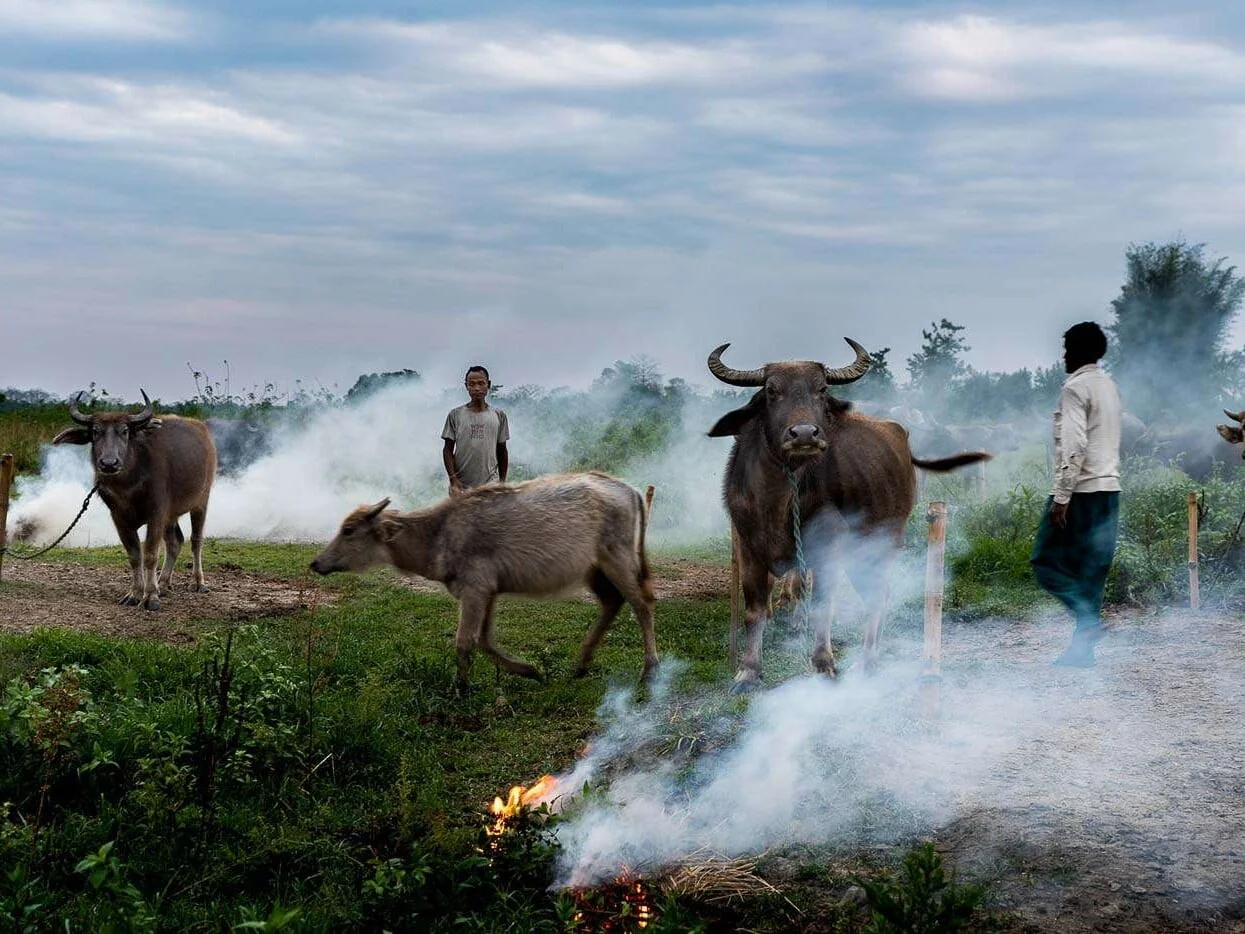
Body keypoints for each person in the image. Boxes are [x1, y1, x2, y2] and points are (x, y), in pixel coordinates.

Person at [1031, 322, 1122, 668]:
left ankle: (1087, 620)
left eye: (1068, 348)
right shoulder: (1110, 387)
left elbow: (1074, 445)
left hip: (1081, 493)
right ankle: (1082, 652)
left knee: (1046, 562)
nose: (1064, 356)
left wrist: (1062, 496)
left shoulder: (1075, 388)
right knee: (1091, 571)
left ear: (1081, 351)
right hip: (1109, 491)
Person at [442, 365, 509, 496]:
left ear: (488, 385)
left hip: (491, 485)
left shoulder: (499, 415)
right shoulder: (455, 415)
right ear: (466, 386)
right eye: (471, 384)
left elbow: (502, 450)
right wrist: (453, 480)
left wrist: (502, 483)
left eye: (481, 383)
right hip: (462, 486)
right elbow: (447, 450)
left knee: (492, 516)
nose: (476, 388)